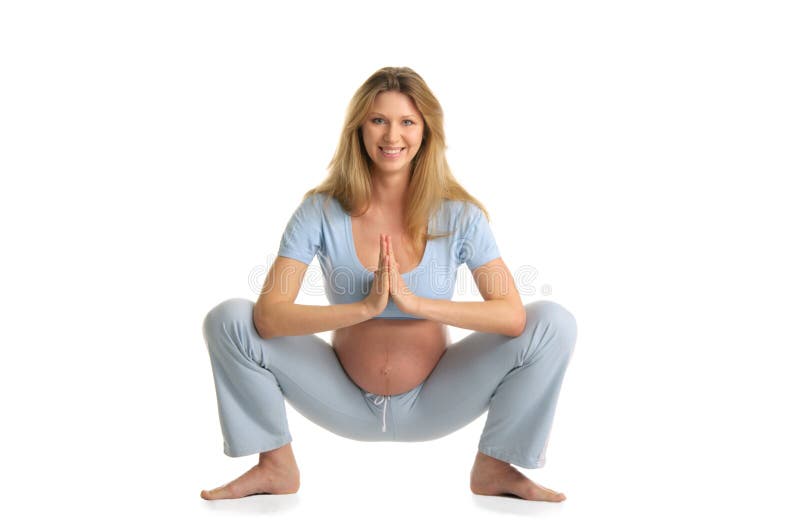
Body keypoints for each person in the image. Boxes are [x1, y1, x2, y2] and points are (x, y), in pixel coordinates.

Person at [200, 66, 578, 502]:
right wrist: (364, 308)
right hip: (340, 397)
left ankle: (496, 466)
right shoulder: (319, 211)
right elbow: (268, 317)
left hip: (439, 399)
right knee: (228, 319)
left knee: (553, 322)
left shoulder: (460, 216)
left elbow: (511, 315)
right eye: (379, 120)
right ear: (359, 128)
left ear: (426, 131)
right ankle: (275, 465)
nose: (391, 136)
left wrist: (417, 303)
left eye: (407, 122)